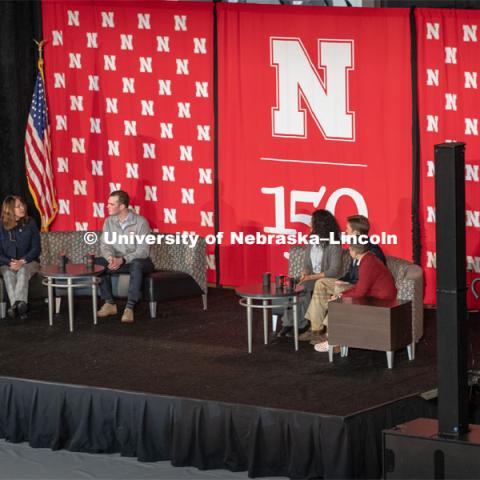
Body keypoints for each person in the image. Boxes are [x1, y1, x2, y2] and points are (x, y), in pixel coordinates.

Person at [300, 214, 386, 344]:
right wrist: (342, 279)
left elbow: (366, 282)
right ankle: (316, 329)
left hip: (362, 288)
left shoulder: (371, 251)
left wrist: (342, 289)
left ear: (356, 232)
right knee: (321, 283)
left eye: (348, 229)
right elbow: (351, 273)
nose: (345, 231)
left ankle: (332, 336)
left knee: (336, 288)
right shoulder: (357, 245)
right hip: (351, 283)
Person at [314, 243, 397, 352]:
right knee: (339, 302)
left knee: (339, 306)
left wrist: (340, 298)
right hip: (375, 296)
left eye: (349, 250)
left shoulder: (367, 263)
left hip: (382, 300)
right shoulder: (368, 259)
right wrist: (341, 295)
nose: (348, 252)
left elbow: (360, 292)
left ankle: (333, 341)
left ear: (355, 252)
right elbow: (360, 287)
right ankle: (333, 338)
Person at [276, 209, 343, 338]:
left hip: (327, 279)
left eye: (312, 222)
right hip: (312, 276)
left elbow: (334, 270)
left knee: (307, 286)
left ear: (320, 225)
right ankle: (288, 323)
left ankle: (303, 324)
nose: (309, 224)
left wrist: (310, 277)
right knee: (293, 285)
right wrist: (304, 273)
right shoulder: (312, 240)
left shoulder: (334, 244)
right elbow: (307, 264)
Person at [95, 190, 154, 323]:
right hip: (117, 260)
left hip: (138, 261)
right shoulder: (109, 222)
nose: (107, 206)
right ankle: (109, 303)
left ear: (122, 207)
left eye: (111, 204)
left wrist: (123, 259)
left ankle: (129, 308)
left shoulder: (141, 222)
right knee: (97, 263)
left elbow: (143, 250)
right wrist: (110, 258)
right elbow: (105, 245)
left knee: (137, 264)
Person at [0, 196, 41, 320]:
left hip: (30, 262)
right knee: (8, 273)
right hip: (7, 263)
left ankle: (14, 307)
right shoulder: (1, 226)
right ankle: (21, 306)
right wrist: (10, 262)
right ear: (9, 209)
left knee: (22, 270)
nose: (22, 208)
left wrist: (22, 261)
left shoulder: (31, 223)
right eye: (18, 206)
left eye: (22, 205)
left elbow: (36, 249)